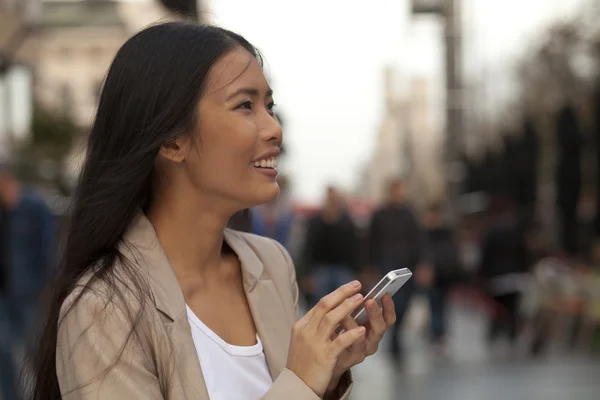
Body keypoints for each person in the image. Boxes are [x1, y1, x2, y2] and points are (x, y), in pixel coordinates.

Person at [25, 23, 396, 400]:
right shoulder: (102, 308)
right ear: (171, 139)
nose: (274, 129)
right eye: (245, 105)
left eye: (269, 106)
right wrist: (301, 382)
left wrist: (326, 377)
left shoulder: (271, 264)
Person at [0, 165, 55, 400]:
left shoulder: (34, 207)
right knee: (3, 351)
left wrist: (48, 284)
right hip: (3, 293)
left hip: (29, 291)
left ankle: (46, 394)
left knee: (37, 351)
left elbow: (49, 248)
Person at [367, 178, 431, 361]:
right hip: (387, 264)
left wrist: (424, 263)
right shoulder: (380, 214)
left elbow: (420, 240)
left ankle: (397, 334)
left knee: (406, 302)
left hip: (407, 265)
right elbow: (371, 241)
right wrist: (370, 266)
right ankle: (394, 338)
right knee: (395, 301)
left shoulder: (409, 214)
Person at [301, 186, 360, 307]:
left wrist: (358, 269)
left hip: (343, 268)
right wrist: (306, 274)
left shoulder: (346, 220)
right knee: (321, 304)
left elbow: (355, 246)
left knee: (346, 304)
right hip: (320, 269)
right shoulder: (316, 221)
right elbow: (308, 248)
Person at [422, 205, 460, 351]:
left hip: (444, 275)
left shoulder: (446, 233)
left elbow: (453, 253)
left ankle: (440, 335)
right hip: (431, 275)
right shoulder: (424, 234)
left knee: (442, 306)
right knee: (434, 306)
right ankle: (437, 335)